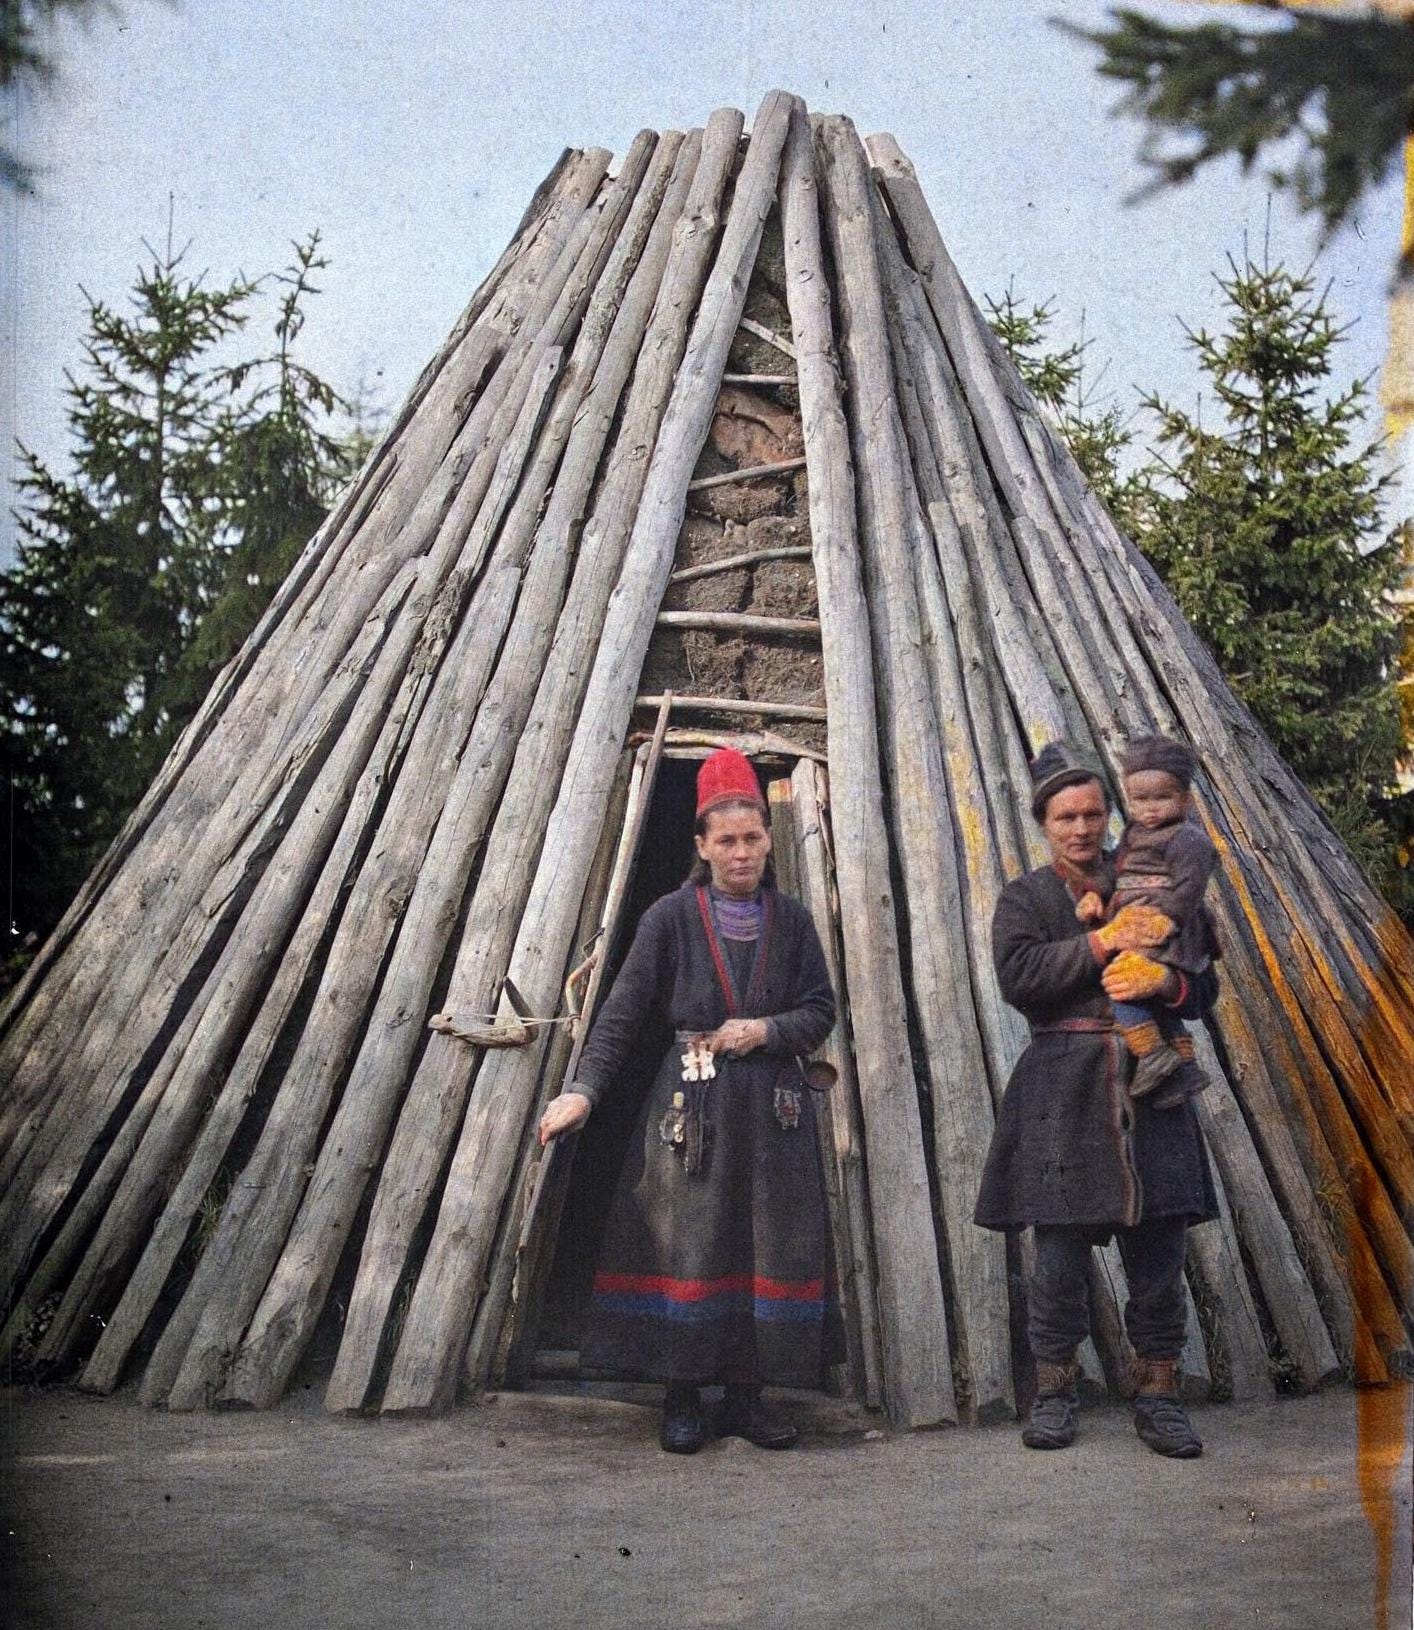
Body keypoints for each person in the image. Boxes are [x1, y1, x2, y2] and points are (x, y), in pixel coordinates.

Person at [537, 746, 837, 1454]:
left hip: (771, 1115)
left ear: (769, 840)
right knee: (690, 1242)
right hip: (690, 1113)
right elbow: (621, 1014)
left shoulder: (791, 921)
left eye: (753, 837)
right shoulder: (670, 918)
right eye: (726, 840)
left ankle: (746, 1398)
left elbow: (820, 1009)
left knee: (761, 1240)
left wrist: (764, 1030)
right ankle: (680, 1398)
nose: (741, 852)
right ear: (702, 846)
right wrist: (583, 1091)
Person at [974, 741, 1218, 1459]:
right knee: (1056, 1257)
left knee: (1159, 1253)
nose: (1081, 829)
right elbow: (1020, 977)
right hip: (1062, 1088)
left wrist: (1165, 987)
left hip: (1155, 1084)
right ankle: (1054, 1392)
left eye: (1091, 813)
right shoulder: (1027, 898)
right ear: (1044, 825)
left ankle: (1161, 1395)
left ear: (1112, 814)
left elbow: (1202, 985)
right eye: (1064, 818)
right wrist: (1105, 942)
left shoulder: (1156, 875)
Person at [1078, 734, 1218, 1109]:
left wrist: (1167, 918)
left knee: (1119, 979)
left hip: (1164, 926)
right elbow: (1115, 870)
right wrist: (1096, 893)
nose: (1151, 808)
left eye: (1162, 798)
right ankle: (1181, 1062)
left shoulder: (1188, 839)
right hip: (1136, 920)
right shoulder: (1134, 834)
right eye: (1141, 800)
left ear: (1185, 799)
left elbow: (1190, 887)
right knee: (1145, 991)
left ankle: (1153, 1053)